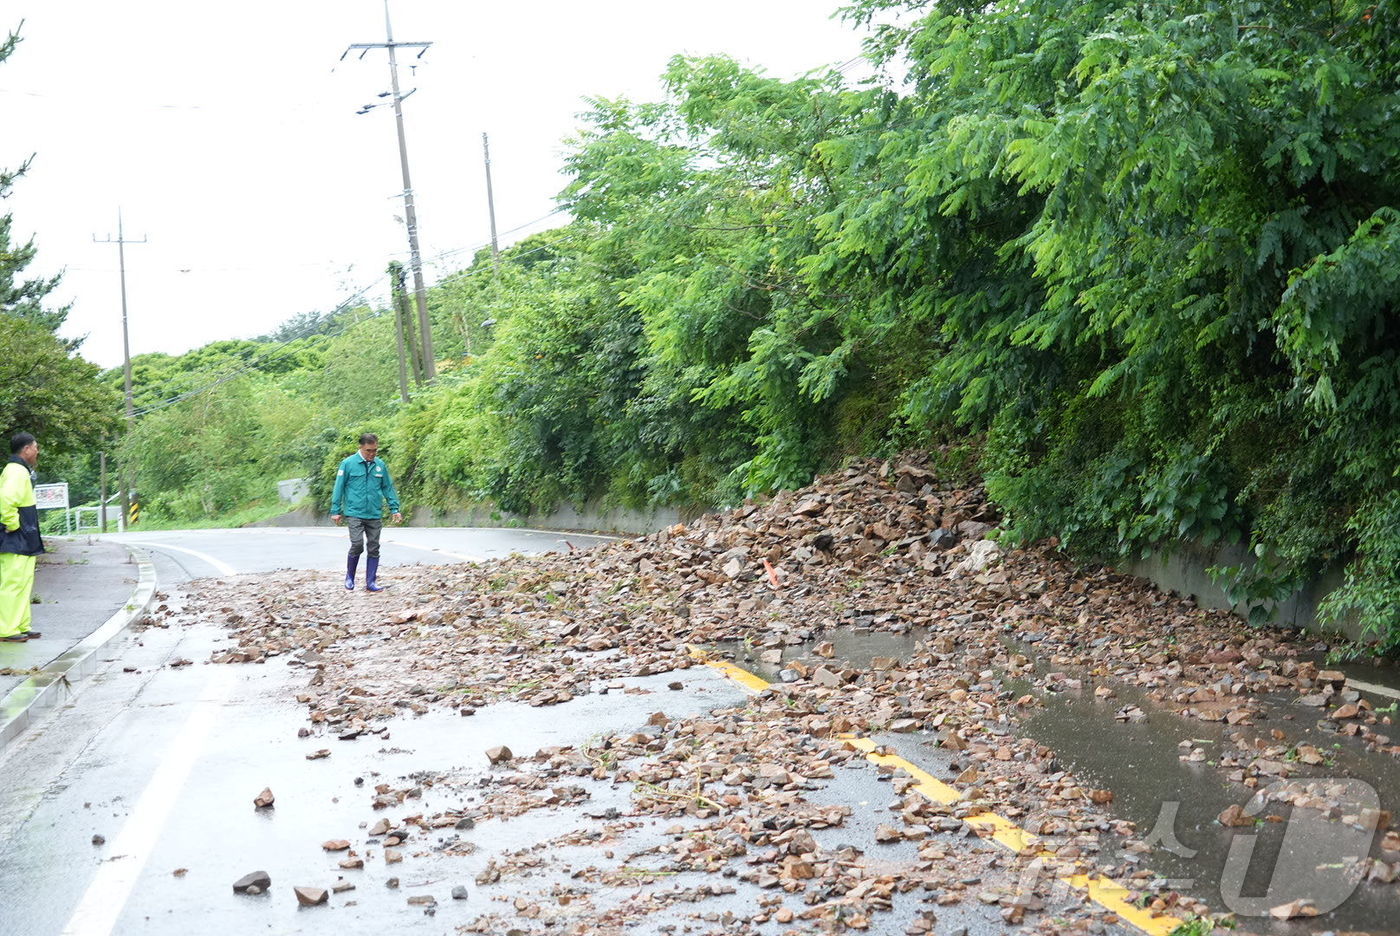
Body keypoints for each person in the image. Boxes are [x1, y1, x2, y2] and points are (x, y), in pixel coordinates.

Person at [329, 433, 402, 592]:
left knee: (374, 547)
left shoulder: (380, 465)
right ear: (361, 447)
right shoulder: (348, 464)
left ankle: (371, 582)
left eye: (375, 450)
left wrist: (394, 508)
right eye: (369, 450)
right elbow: (339, 487)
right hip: (354, 512)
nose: (372, 454)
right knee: (357, 544)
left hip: (374, 513)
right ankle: (350, 577)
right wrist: (336, 510)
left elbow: (387, 487)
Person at [0, 432, 45, 642]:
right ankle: (7, 629)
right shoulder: (16, 471)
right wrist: (13, 524)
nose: (37, 451)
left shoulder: (20, 471)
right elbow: (6, 500)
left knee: (24, 581)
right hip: (15, 536)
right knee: (13, 582)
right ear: (26, 449)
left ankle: (20, 624)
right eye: (35, 447)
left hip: (24, 537)